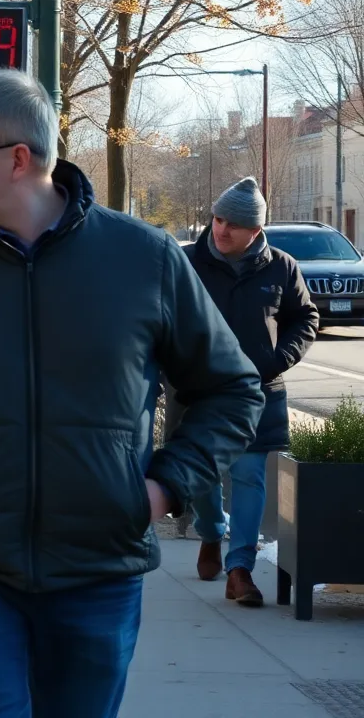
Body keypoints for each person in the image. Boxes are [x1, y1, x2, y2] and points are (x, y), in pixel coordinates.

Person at [0, 69, 265, 718]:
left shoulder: (142, 258)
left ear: (18, 158)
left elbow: (232, 389)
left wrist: (163, 489)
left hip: (100, 566)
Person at [178, 177, 318, 605]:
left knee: (249, 475)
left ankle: (240, 569)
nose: (221, 230)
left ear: (256, 230)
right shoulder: (186, 263)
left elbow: (304, 319)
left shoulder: (282, 266)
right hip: (199, 391)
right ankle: (210, 531)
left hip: (258, 393)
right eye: (218, 219)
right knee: (201, 477)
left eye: (233, 225)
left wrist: (276, 361)